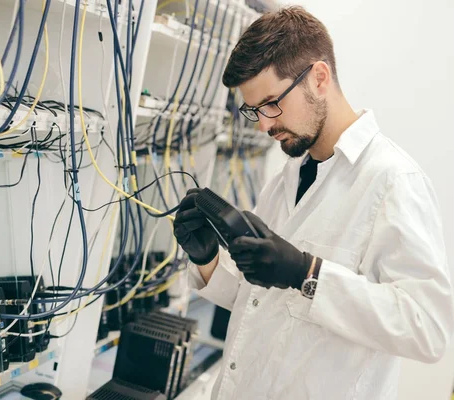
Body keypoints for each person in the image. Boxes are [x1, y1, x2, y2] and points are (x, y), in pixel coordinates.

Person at [173, 6, 453, 400]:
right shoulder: (288, 176)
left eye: (270, 103)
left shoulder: (393, 180)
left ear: (319, 79)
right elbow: (257, 303)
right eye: (253, 110)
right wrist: (207, 261)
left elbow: (428, 329)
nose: (263, 125)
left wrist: (309, 273)